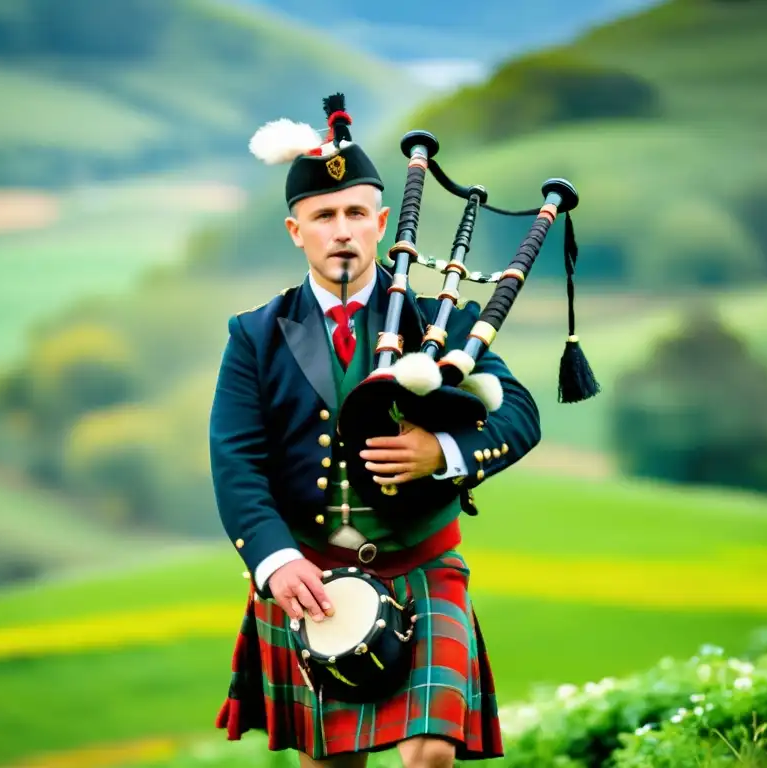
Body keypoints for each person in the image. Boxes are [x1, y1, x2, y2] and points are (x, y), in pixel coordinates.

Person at [209, 93, 542, 768]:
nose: (342, 230)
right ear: (295, 230)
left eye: (356, 213)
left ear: (382, 223)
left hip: (422, 564)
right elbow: (236, 460)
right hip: (313, 575)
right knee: (332, 765)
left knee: (429, 753)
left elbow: (519, 414)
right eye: (323, 215)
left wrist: (442, 452)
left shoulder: (436, 322)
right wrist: (275, 563)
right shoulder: (255, 336)